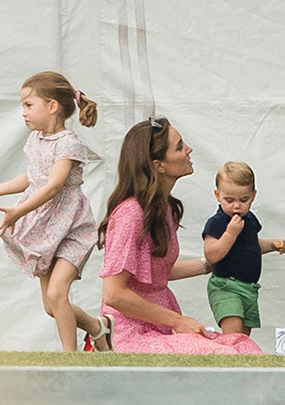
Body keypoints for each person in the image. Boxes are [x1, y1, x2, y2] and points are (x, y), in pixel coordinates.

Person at [98, 118, 264, 354]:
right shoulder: (130, 214)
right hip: (133, 334)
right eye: (179, 146)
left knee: (243, 344)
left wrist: (214, 262)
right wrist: (177, 321)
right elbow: (114, 294)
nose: (189, 149)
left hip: (160, 328)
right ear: (159, 165)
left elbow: (158, 273)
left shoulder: (165, 209)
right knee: (225, 354)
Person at [0, 71, 113, 352]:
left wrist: (17, 211)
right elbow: (33, 177)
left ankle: (69, 357)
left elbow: (53, 186)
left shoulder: (69, 144)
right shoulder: (36, 140)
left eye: (28, 105)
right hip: (46, 231)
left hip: (72, 230)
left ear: (52, 106)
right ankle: (99, 328)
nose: (23, 113)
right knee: (52, 306)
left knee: (56, 293)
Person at [202, 161, 285, 336]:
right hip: (226, 285)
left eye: (243, 200)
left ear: (253, 195)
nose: (237, 206)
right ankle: (229, 356)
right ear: (217, 195)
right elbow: (211, 254)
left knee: (243, 336)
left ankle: (239, 358)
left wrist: (271, 245)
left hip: (249, 288)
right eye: (229, 200)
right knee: (233, 332)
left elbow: (251, 246)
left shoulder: (249, 220)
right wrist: (230, 234)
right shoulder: (217, 223)